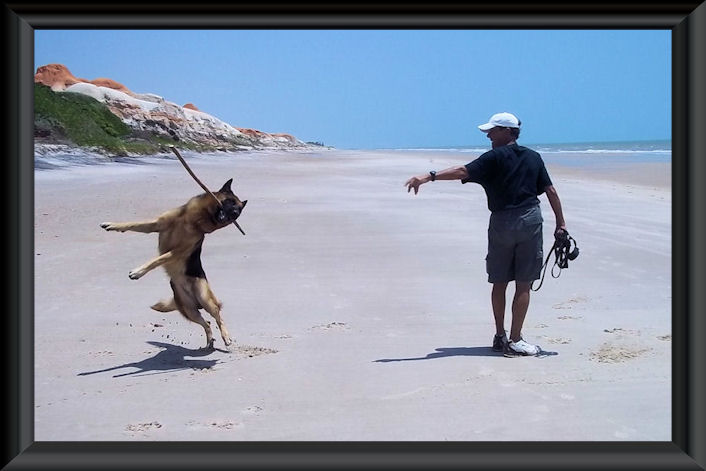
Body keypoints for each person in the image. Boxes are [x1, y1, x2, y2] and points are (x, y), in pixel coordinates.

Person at [404, 112, 567, 357]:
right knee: (524, 283)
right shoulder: (533, 158)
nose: (488, 135)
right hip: (530, 220)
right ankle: (515, 339)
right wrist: (561, 224)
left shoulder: (492, 158)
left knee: (499, 281)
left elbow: (462, 171)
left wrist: (429, 176)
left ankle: (501, 336)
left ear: (506, 132)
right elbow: (550, 191)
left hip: (501, 222)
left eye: (492, 130)